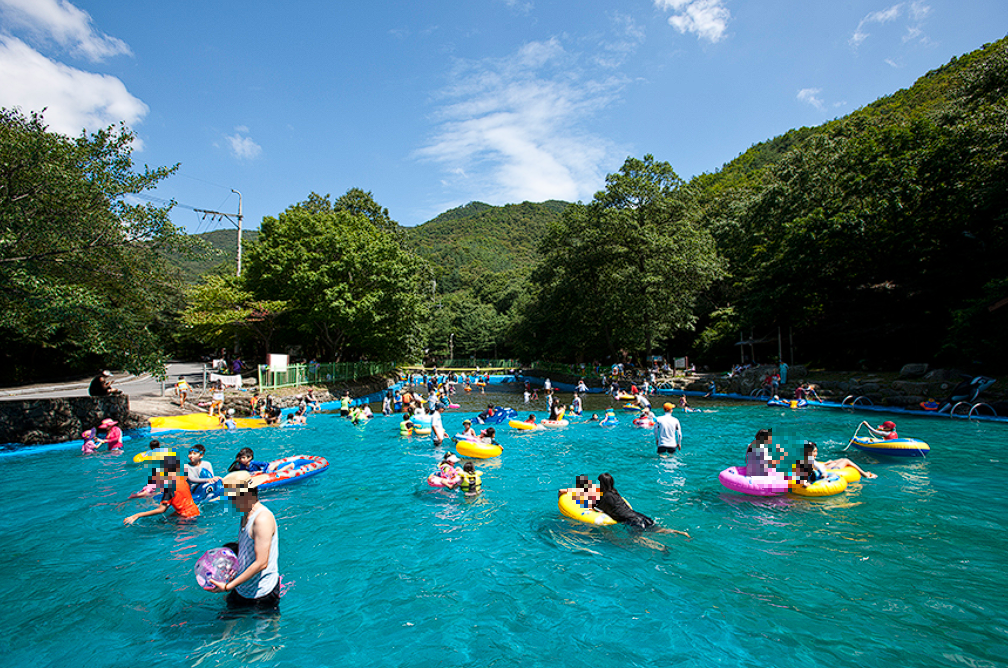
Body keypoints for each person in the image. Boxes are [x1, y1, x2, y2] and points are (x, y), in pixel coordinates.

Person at [208, 471, 280, 611]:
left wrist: (228, 587)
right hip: (242, 585)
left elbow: (261, 563)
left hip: (262, 592)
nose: (229, 501)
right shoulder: (246, 514)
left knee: (264, 624)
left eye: (232, 497)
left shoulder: (262, 519)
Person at [593, 473, 689, 536]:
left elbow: (596, 508)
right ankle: (680, 533)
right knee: (658, 530)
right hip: (640, 516)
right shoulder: (615, 493)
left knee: (637, 540)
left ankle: (660, 547)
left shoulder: (605, 497)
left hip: (633, 521)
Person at [123, 455, 200, 525]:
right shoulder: (181, 479)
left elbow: (161, 510)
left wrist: (137, 515)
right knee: (166, 520)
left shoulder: (169, 489)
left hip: (186, 517)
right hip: (194, 511)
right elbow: (180, 499)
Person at [796, 442, 876, 484]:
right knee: (845, 460)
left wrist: (826, 463)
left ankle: (865, 474)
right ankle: (865, 474)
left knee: (837, 461)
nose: (816, 453)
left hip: (822, 468)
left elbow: (816, 465)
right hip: (826, 471)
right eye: (814, 451)